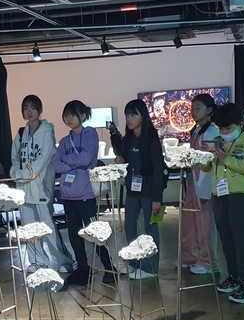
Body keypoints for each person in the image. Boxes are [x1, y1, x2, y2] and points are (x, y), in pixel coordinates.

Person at [53, 100, 116, 288]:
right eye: (66, 115)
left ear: (82, 115)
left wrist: (67, 161)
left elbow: (88, 158)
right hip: (68, 195)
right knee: (74, 234)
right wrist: (74, 164)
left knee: (93, 232)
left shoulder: (90, 134)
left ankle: (109, 267)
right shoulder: (64, 141)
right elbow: (56, 164)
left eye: (72, 114)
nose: (68, 119)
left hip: (85, 194)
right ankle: (82, 268)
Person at [202, 103, 244, 304]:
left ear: (239, 124)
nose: (224, 133)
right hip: (219, 196)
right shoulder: (217, 142)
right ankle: (234, 277)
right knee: (227, 240)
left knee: (242, 241)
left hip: (240, 196)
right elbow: (206, 167)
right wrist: (204, 156)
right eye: (221, 129)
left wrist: (227, 159)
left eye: (228, 128)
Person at [10, 94, 75, 273]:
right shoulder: (21, 133)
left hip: (40, 188)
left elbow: (44, 158)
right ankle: (37, 261)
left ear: (40, 110)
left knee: (48, 226)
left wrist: (25, 174)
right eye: (25, 108)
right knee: (29, 227)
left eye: (33, 107)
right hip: (23, 188)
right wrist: (16, 174)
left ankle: (64, 261)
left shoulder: (47, 131)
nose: (29, 111)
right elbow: (15, 157)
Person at [110, 99, 165, 279]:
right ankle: (134, 262)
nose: (129, 118)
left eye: (133, 114)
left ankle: (151, 268)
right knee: (130, 227)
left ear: (143, 116)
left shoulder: (151, 139)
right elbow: (126, 160)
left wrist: (157, 198)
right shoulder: (128, 139)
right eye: (127, 115)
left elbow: (158, 169)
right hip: (132, 191)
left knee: (151, 229)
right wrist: (120, 160)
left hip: (150, 192)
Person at [180, 93, 220, 275]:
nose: (193, 111)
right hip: (194, 182)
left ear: (209, 110)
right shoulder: (197, 131)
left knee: (204, 223)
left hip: (204, 182)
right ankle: (189, 256)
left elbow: (209, 161)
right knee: (189, 220)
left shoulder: (211, 132)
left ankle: (208, 261)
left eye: (198, 108)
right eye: (192, 108)